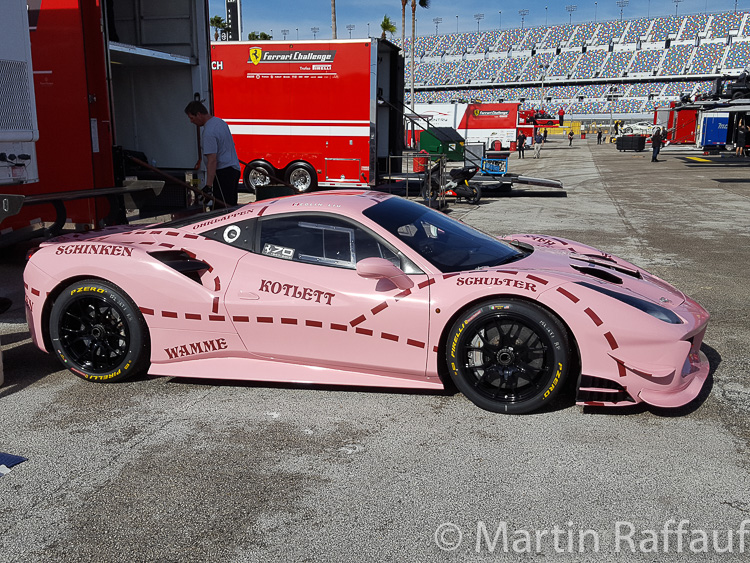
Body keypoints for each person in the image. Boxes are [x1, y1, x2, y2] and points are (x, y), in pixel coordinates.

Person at [184, 100, 241, 208]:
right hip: (233, 170)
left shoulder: (209, 132)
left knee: (223, 209)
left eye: (192, 118)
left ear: (199, 114)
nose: (192, 122)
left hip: (224, 173)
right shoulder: (220, 123)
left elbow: (212, 160)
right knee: (230, 205)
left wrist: (208, 186)